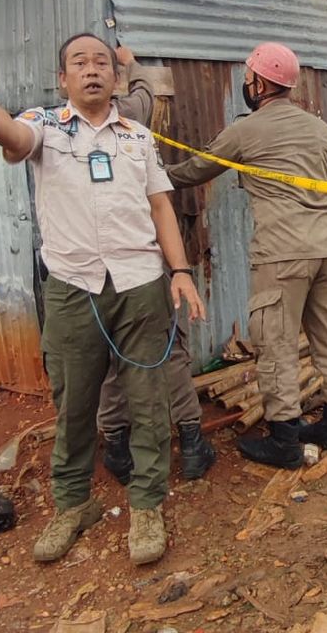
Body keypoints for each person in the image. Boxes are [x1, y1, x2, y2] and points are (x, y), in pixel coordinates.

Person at [0, 34, 206, 567]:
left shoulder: (137, 136)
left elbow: (161, 209)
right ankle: (73, 504)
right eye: (79, 63)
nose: (92, 70)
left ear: (114, 75)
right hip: (73, 287)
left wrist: (180, 271)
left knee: (148, 400)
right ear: (63, 78)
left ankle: (147, 506)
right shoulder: (46, 125)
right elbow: (11, 137)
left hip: (140, 284)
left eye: (101, 62)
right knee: (75, 402)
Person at [166, 43, 327, 469]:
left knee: (276, 344)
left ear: (260, 82)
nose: (245, 84)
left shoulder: (246, 130)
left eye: (248, 76)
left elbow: (196, 170)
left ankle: (285, 442)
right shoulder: (322, 131)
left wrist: (151, 178)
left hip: (281, 255)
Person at [97, 46, 216, 484]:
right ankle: (191, 444)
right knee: (170, 353)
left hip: (92, 277)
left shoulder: (56, 132)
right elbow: (146, 92)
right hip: (143, 270)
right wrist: (130, 63)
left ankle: (116, 446)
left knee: (114, 358)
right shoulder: (130, 116)